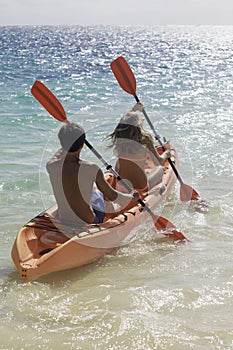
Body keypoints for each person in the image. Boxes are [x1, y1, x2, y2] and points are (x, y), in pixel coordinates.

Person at [46, 122, 140, 227]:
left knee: (89, 190)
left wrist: (68, 139)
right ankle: (111, 219)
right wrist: (131, 197)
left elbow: (60, 153)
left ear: (62, 143)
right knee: (101, 194)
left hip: (63, 219)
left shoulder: (51, 166)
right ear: (82, 145)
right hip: (88, 221)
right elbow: (113, 196)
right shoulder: (91, 168)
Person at [107, 103, 171, 195]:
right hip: (140, 188)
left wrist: (133, 109)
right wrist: (166, 154)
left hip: (121, 186)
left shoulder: (119, 140)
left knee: (119, 164)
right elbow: (158, 161)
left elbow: (124, 123)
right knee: (160, 169)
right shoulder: (145, 139)